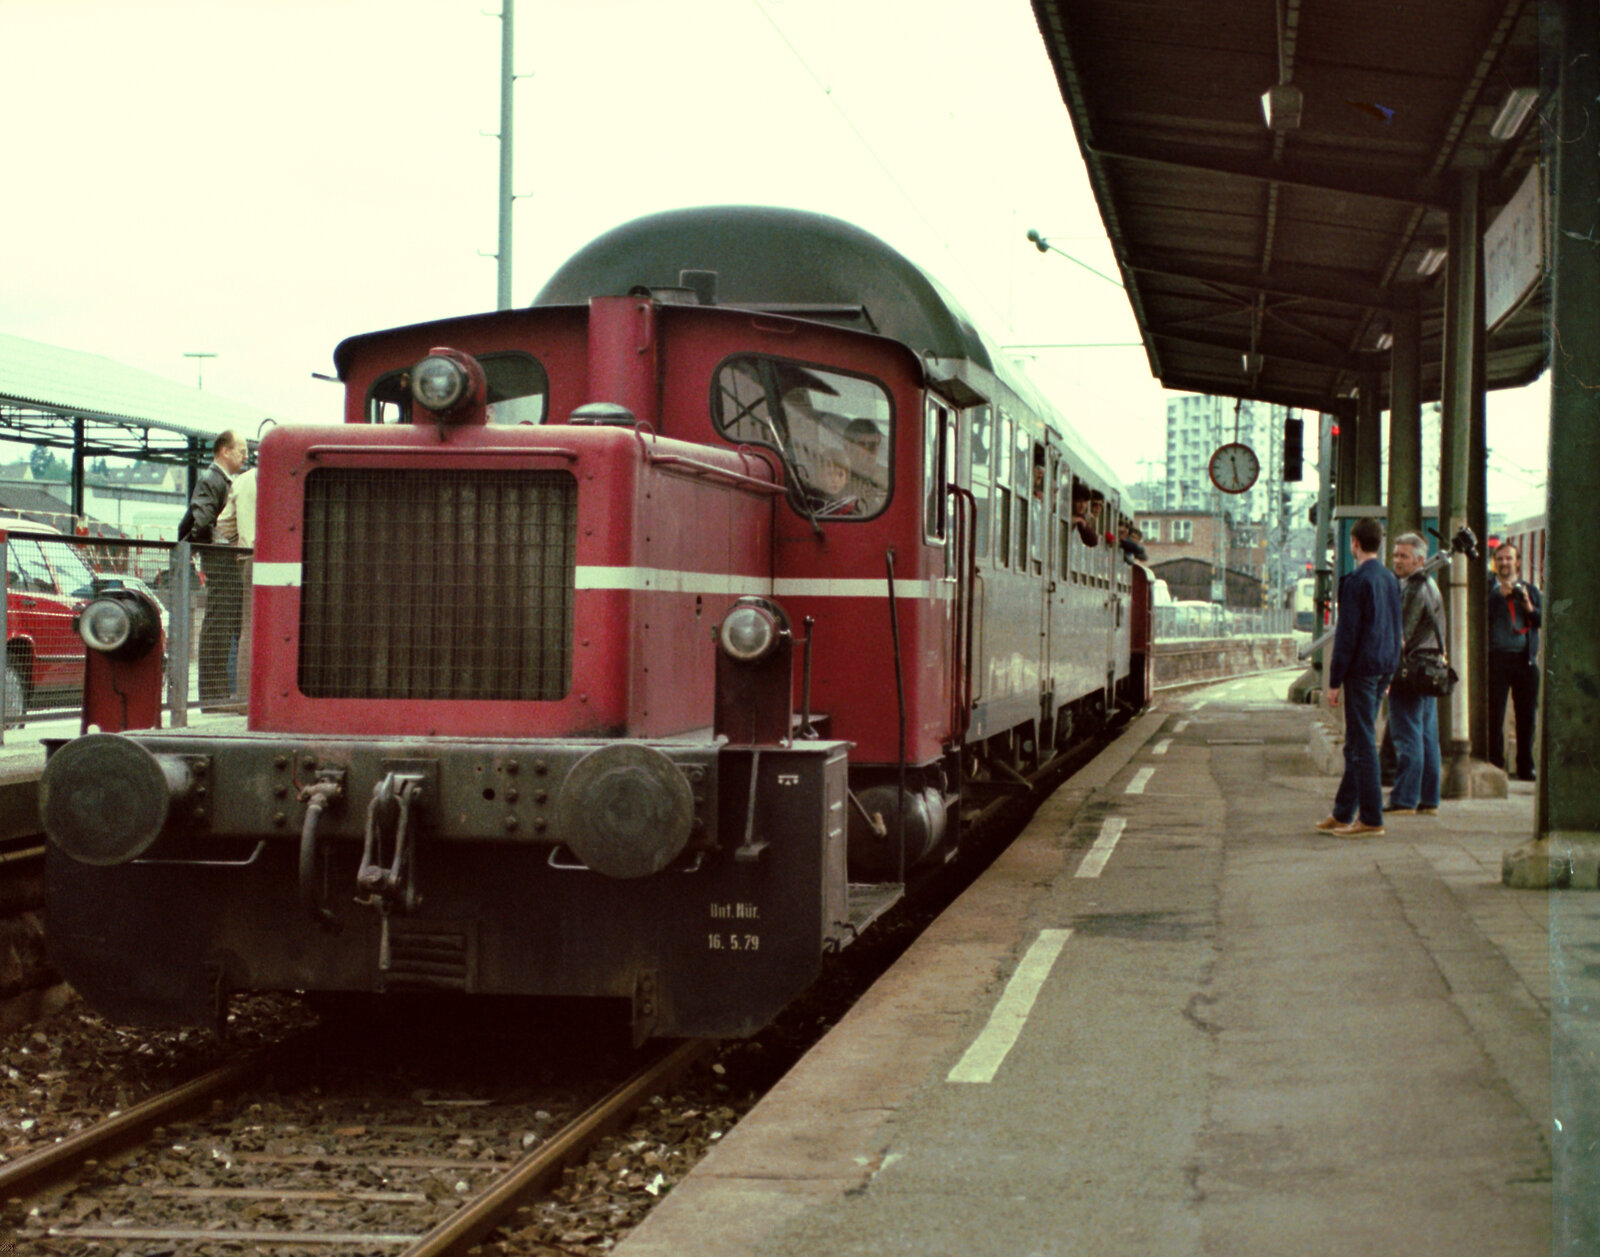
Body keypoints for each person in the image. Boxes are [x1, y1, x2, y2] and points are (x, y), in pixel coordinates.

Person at [1314, 516, 1403, 837]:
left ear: (1354, 542)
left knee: (1363, 743)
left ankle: (1371, 818)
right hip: (1382, 667)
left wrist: (1334, 682)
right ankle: (1342, 813)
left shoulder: (1355, 582)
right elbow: (1396, 627)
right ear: (1379, 543)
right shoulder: (1390, 579)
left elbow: (1347, 636)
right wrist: (1391, 668)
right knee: (1356, 742)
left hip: (1362, 670)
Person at [179, 430, 248, 701]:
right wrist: (218, 546)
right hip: (222, 562)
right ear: (224, 452)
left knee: (223, 624)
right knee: (218, 625)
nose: (245, 455)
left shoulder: (221, 480)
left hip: (221, 562)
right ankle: (213, 692)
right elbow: (202, 521)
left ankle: (219, 690)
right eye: (240, 450)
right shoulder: (212, 481)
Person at [1386, 532, 1444, 815]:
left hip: (1410, 670)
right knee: (1427, 737)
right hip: (1429, 669)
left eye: (1403, 556)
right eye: (1395, 555)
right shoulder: (1431, 584)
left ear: (1419, 559)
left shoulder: (1412, 588)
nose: (1397, 561)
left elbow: (1402, 635)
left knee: (1407, 735)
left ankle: (1405, 798)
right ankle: (1429, 799)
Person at [1487, 541, 1541, 781]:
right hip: (1497, 660)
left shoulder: (1530, 589)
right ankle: (1495, 764)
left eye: (1509, 559)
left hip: (1525, 662)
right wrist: (1497, 596)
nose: (1504, 563)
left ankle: (1525, 766)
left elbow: (1539, 620)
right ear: (1494, 563)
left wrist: (1528, 605)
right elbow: (1478, 615)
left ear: (1518, 562)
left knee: (1526, 717)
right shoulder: (1489, 590)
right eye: (1500, 559)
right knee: (1494, 716)